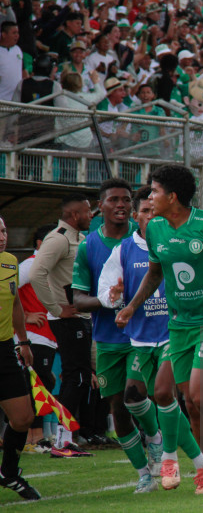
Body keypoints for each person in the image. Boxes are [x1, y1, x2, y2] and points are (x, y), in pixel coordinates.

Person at [116, 164, 203, 505]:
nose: (150, 198)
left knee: (201, 395)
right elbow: (154, 273)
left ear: (172, 196)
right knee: (191, 404)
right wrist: (132, 306)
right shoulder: (155, 230)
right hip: (179, 326)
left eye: (154, 192)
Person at [97, 186, 203, 494]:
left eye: (154, 210)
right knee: (140, 399)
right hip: (140, 339)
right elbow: (105, 290)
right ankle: (200, 465)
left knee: (163, 393)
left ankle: (168, 459)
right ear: (136, 217)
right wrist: (114, 299)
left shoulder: (178, 243)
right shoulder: (123, 250)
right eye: (145, 212)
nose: (151, 216)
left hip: (175, 333)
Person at [72, 178, 160, 492]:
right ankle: (144, 475)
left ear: (134, 211)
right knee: (118, 411)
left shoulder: (152, 240)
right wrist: (109, 300)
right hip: (107, 338)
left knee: (137, 395)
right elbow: (78, 299)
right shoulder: (89, 245)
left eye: (125, 200)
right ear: (101, 206)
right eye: (114, 200)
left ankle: (156, 440)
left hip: (143, 336)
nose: (120, 205)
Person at [29, 194, 93, 457]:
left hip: (82, 318)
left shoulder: (78, 238)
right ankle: (61, 440)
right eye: (88, 211)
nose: (92, 215)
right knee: (75, 376)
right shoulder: (58, 238)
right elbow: (35, 273)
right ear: (75, 215)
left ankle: (67, 437)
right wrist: (56, 308)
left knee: (82, 377)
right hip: (68, 321)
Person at [0, 215, 40, 500]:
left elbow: (14, 303)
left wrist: (23, 341)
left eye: (3, 230)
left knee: (24, 417)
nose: (1, 236)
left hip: (4, 349)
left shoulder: (11, 262)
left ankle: (9, 473)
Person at [17, 225, 60, 453]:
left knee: (46, 383)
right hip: (33, 337)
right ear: (40, 244)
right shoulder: (31, 264)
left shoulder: (50, 267)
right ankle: (33, 438)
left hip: (48, 337)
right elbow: (7, 289)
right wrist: (26, 316)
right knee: (37, 384)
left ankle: (38, 437)